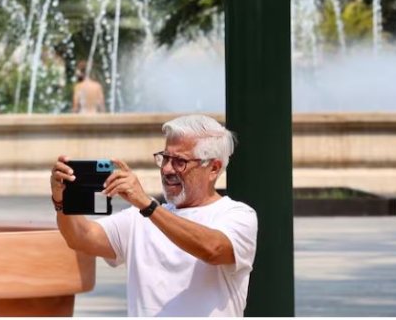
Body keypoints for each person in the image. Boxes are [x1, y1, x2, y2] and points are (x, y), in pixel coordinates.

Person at [50, 114, 258, 316]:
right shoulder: (140, 217)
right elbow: (81, 237)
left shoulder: (237, 215)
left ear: (213, 168)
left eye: (179, 161)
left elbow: (213, 249)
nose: (167, 169)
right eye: (165, 158)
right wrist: (63, 200)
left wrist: (147, 205)